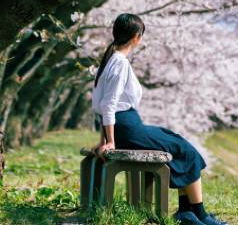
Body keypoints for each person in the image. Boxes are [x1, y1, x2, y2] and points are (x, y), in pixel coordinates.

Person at [90, 13, 227, 225]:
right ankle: (198, 213)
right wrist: (110, 142)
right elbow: (109, 105)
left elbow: (101, 105)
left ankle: (187, 211)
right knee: (187, 150)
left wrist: (105, 139)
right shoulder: (120, 62)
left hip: (126, 126)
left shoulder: (109, 61)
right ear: (137, 37)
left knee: (176, 142)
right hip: (127, 128)